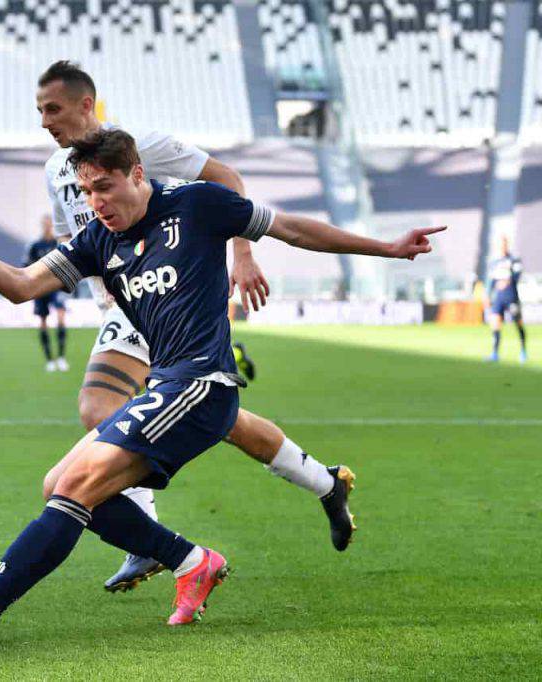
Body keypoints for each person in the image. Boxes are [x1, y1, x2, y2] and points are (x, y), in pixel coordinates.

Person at [0, 129, 444, 646]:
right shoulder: (95, 240)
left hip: (203, 383)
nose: (95, 202)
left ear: (137, 174)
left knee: (77, 486)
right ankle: (190, 561)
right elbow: (21, 287)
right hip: (168, 385)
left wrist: (388, 249)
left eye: (104, 187)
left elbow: (292, 228)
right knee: (57, 483)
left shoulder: (199, 204)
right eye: (86, 191)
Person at [36, 61, 346, 592]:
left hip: (169, 293)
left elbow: (225, 180)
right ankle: (325, 483)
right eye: (40, 110)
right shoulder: (53, 172)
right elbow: (75, 242)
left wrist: (242, 254)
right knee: (220, 420)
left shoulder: (142, 147)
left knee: (97, 407)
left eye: (53, 109)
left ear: (87, 105)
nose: (44, 121)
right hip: (126, 309)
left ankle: (146, 542)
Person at [25, 215, 69, 371]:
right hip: (39, 288)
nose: (47, 226)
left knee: (61, 316)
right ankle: (50, 359)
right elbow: (26, 266)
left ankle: (62, 357)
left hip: (56, 286)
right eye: (44, 224)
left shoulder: (58, 244)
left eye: (49, 223)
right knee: (43, 322)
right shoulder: (36, 246)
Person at [486, 235, 527, 363]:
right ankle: (495, 353)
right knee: (495, 324)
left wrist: (507, 281)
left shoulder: (513, 259)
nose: (502, 246)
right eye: (500, 244)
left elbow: (517, 275)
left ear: (507, 244)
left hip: (511, 296)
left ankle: (523, 350)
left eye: (504, 243)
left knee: (518, 323)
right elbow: (491, 281)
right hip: (498, 297)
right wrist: (487, 295)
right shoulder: (494, 262)